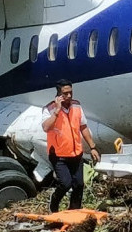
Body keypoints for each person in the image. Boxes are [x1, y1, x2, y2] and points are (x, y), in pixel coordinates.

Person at [42, 79, 101, 213]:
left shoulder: (76, 106)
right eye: (65, 93)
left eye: (70, 92)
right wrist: (57, 111)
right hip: (58, 155)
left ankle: (74, 211)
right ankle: (54, 203)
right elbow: (46, 127)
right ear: (58, 94)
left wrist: (92, 147)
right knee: (65, 183)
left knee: (79, 184)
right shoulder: (49, 109)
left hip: (76, 153)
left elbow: (83, 127)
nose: (69, 96)